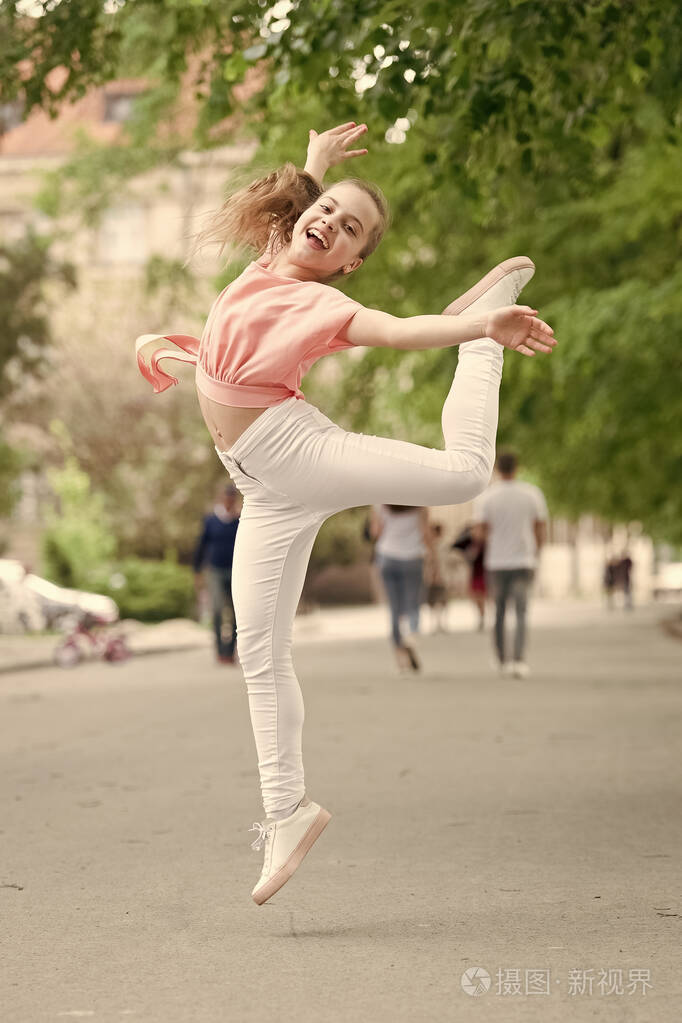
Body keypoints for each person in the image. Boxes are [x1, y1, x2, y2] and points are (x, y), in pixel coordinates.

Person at [135, 121, 556, 905]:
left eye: (348, 228)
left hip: (298, 452)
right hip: (263, 486)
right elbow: (299, 207)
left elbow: (400, 331)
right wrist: (318, 164)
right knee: (259, 648)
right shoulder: (269, 260)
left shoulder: (321, 302)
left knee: (465, 471)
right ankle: (286, 812)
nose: (327, 222)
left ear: (351, 260)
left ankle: (488, 337)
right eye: (325, 210)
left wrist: (475, 326)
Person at [473, 451, 549, 678]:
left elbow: (479, 533)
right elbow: (540, 529)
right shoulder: (532, 494)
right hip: (524, 560)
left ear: (497, 469)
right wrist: (537, 552)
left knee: (499, 612)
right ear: (517, 468)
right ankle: (519, 660)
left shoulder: (487, 497)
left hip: (496, 562)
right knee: (522, 612)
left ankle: (500, 659)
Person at [369, 503, 431, 671]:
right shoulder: (420, 505)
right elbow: (425, 534)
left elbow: (375, 532)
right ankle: (411, 634)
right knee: (413, 602)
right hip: (413, 557)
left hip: (387, 556)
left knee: (395, 608)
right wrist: (433, 561)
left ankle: (400, 657)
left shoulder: (380, 504)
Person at [193, 483, 241, 664]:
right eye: (226, 498)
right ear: (222, 499)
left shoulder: (239, 521)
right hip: (215, 570)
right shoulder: (211, 520)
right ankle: (220, 652)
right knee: (218, 610)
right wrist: (197, 570)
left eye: (232, 498)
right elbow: (201, 545)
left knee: (237, 613)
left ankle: (231, 651)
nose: (229, 501)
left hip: (236, 571)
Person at [452, 523, 487, 631]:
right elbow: (455, 544)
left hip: (484, 573)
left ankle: (482, 617)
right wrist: (468, 534)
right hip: (473, 573)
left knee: (482, 597)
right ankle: (480, 616)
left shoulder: (486, 543)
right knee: (475, 597)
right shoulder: (470, 543)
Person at [424, 522, 450, 633]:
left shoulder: (442, 546)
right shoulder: (430, 546)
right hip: (432, 577)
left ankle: (440, 623)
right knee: (433, 601)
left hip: (441, 576)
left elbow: (442, 562)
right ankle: (436, 623)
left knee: (441, 601)